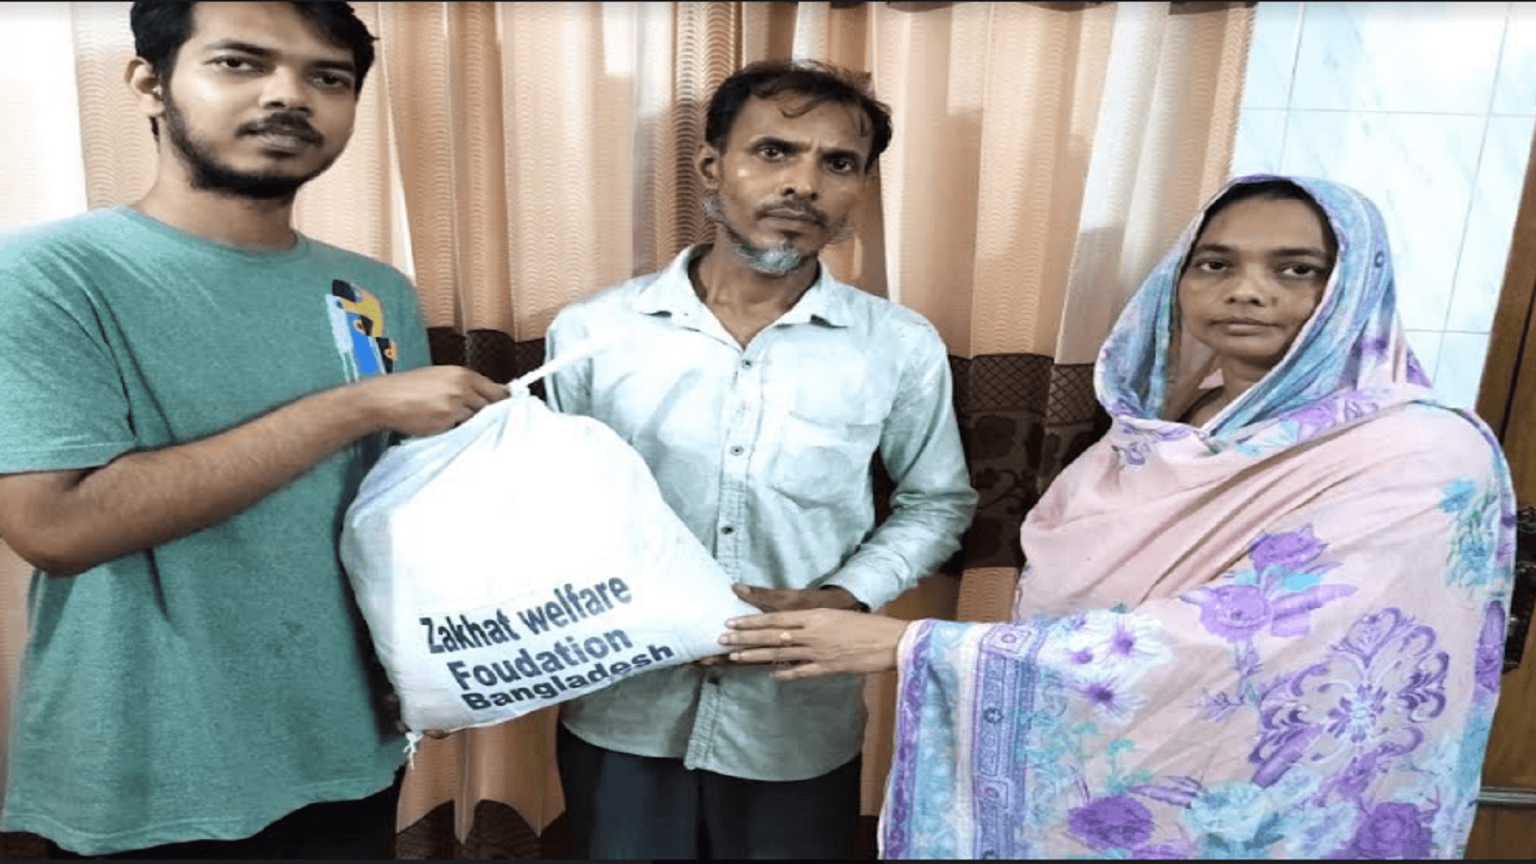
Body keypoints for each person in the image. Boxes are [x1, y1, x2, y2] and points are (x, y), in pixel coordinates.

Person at [722, 175, 1516, 859]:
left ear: (1353, 290)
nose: (1247, 290)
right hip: (1100, 775)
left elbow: (1253, 641)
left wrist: (913, 645)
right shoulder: (1163, 427)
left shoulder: (1421, 455)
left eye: (1296, 269)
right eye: (1215, 264)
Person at [0, 2, 506, 858]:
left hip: (349, 745)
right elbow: (57, 527)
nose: (290, 96)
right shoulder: (46, 273)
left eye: (328, 77)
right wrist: (358, 405)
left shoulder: (375, 292)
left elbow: (392, 509)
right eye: (240, 63)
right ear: (149, 82)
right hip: (150, 769)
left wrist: (423, 660)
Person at [541, 59, 978, 859]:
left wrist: (844, 597)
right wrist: (644, 610)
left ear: (860, 188)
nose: (803, 184)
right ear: (713, 166)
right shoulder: (594, 334)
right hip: (624, 709)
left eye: (838, 163)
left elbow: (938, 502)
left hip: (794, 723)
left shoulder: (898, 346)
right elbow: (554, 510)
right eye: (774, 152)